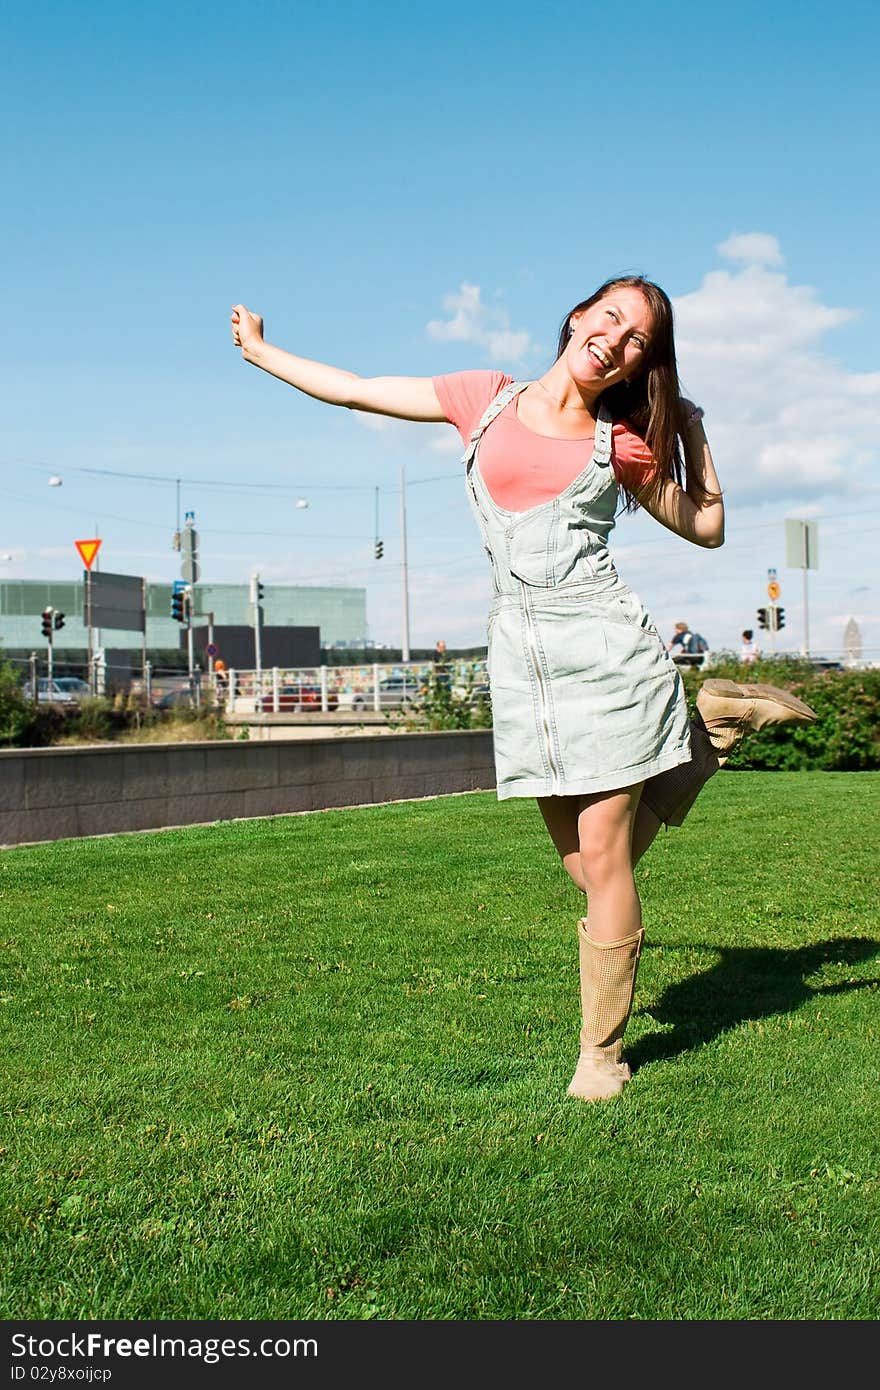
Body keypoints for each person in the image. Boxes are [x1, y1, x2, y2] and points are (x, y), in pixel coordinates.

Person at [230, 275, 815, 1103]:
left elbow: (708, 528)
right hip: (524, 664)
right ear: (579, 319)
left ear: (637, 364)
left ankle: (601, 1055)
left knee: (610, 859)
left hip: (608, 650)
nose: (616, 338)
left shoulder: (623, 445)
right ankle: (712, 729)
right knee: (584, 868)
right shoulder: (484, 400)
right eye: (610, 317)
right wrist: (261, 354)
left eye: (638, 339)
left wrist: (690, 431)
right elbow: (359, 389)